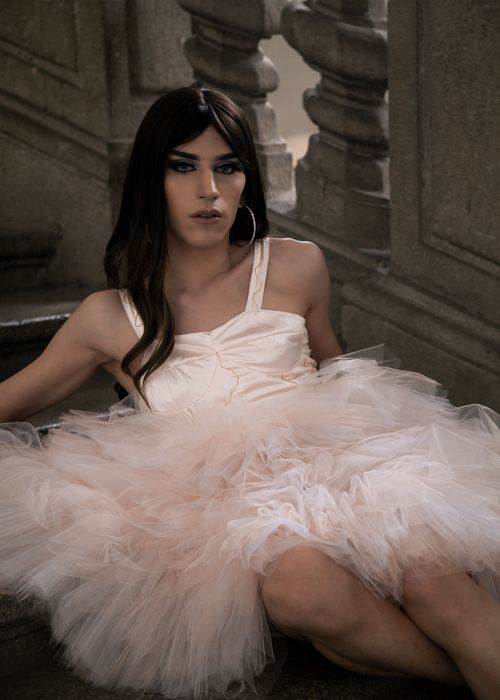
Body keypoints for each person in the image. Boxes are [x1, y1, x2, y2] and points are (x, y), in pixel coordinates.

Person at [1, 86, 500, 700]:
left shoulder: (296, 265)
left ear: (246, 180)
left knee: (433, 583)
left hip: (343, 472)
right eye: (183, 166)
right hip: (226, 514)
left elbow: (341, 378)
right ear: (149, 180)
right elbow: (10, 402)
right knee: (302, 592)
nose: (209, 189)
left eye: (227, 167)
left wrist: (386, 472)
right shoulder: (108, 317)